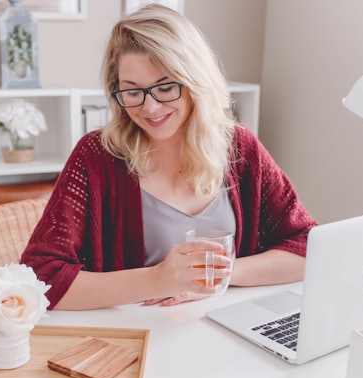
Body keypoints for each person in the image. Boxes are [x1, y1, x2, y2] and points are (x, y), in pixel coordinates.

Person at [20, 4, 318, 310]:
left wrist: (217, 275)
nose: (149, 108)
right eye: (132, 91)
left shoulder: (239, 148)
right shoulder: (97, 157)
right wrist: (157, 279)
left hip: (223, 332)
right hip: (135, 339)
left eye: (165, 87)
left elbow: (309, 247)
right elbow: (40, 277)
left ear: (195, 81)